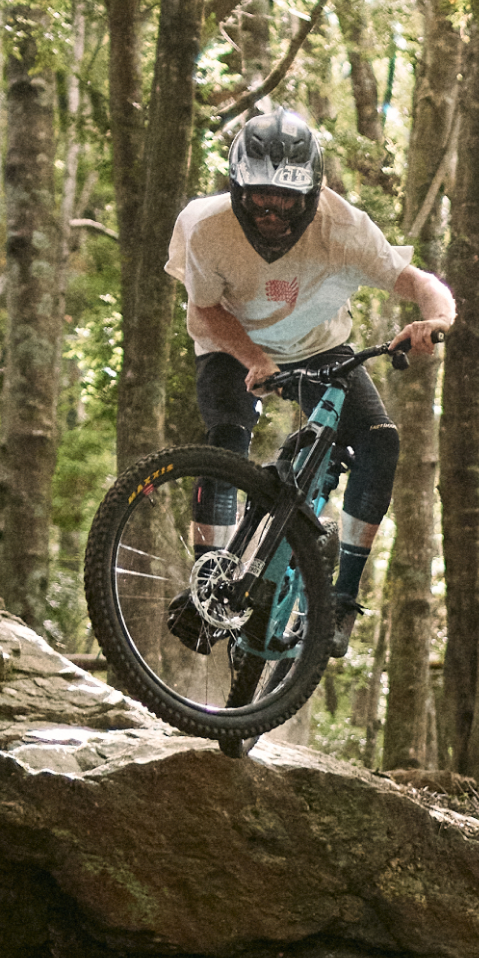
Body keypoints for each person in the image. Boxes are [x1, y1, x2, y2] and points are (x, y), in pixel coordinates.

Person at [164, 105, 454, 643]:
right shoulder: (205, 228)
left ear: (312, 195)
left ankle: (340, 601)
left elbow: (419, 282)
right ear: (237, 190)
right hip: (234, 342)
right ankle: (210, 581)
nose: (272, 213)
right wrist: (255, 360)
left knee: (379, 442)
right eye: (259, 199)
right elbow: (203, 310)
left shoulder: (343, 229)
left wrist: (437, 319)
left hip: (319, 347)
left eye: (286, 201)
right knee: (227, 438)